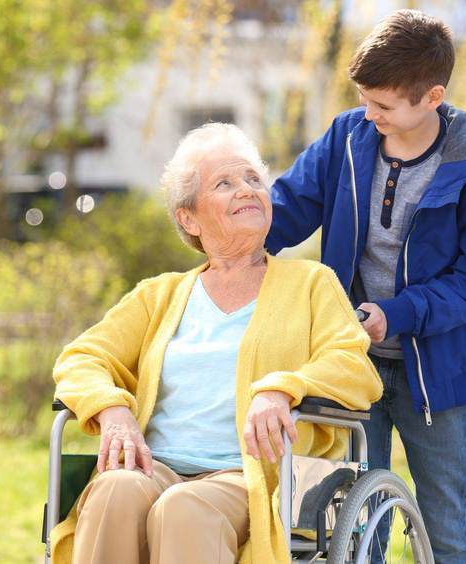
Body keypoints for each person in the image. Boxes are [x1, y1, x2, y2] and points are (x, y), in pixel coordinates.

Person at [48, 123, 382, 564]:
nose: (247, 190)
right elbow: (82, 357)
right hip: (157, 465)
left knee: (184, 508)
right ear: (189, 218)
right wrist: (111, 411)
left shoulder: (310, 283)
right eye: (225, 183)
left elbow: (352, 364)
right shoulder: (160, 295)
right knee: (114, 489)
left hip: (252, 476)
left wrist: (284, 387)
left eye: (253, 180)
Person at [266, 9, 466, 564]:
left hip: (438, 375)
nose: (368, 113)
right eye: (363, 99)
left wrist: (395, 313)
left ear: (431, 97)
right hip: (350, 363)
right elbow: (286, 208)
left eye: (382, 105)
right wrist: (233, 231)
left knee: (447, 529)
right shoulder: (347, 137)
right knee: (349, 533)